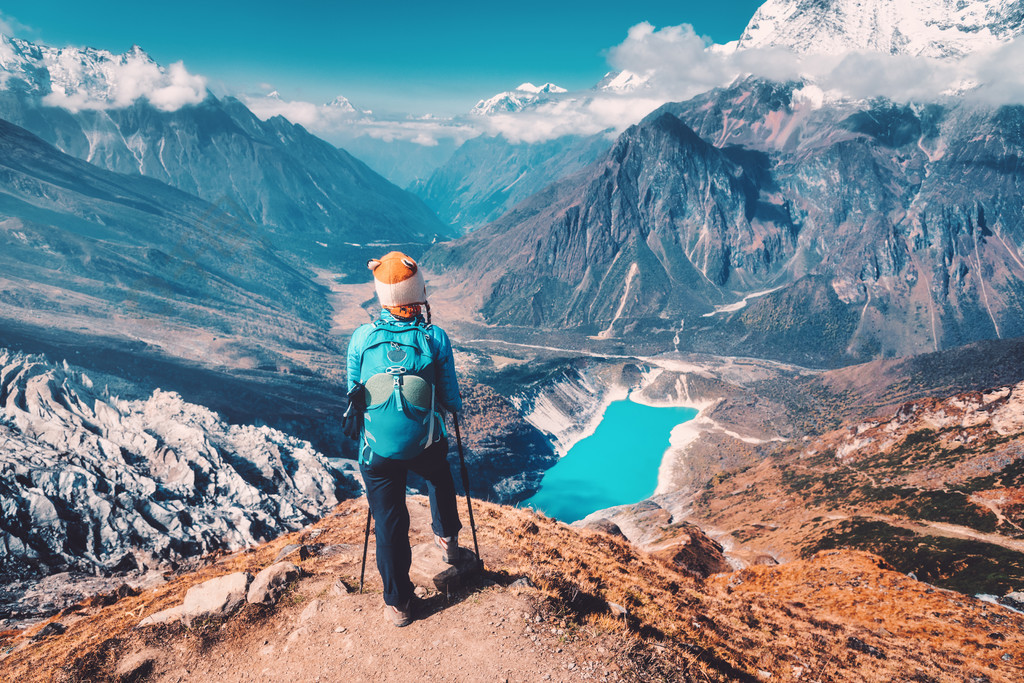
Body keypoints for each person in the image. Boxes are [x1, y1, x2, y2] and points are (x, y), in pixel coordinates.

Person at [346, 251, 463, 627]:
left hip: (377, 450)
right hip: (424, 443)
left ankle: (397, 603)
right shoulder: (433, 337)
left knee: (389, 520)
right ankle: (446, 539)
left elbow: (354, 392)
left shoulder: (362, 337)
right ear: (419, 293)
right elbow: (449, 397)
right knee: (439, 474)